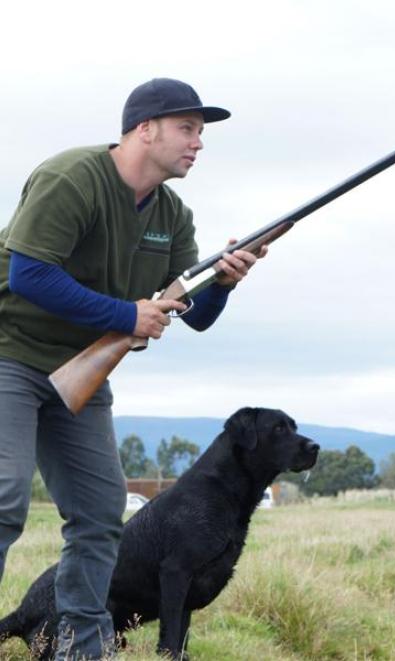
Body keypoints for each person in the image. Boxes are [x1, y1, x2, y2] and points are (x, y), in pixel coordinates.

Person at [0, 77, 266, 660]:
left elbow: (193, 315)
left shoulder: (172, 213)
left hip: (80, 374)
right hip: (9, 353)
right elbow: (29, 276)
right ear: (144, 129)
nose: (198, 143)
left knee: (100, 513)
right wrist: (127, 313)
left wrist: (223, 281)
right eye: (187, 129)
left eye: (200, 133)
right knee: (4, 498)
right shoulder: (71, 178)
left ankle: (79, 647)